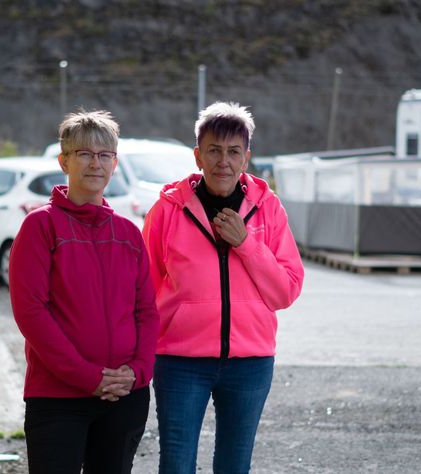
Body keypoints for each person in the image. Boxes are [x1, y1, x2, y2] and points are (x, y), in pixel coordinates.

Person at [142, 101, 304, 474]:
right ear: (198, 156)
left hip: (250, 363)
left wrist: (246, 244)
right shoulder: (167, 210)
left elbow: (286, 292)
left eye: (233, 152)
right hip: (180, 362)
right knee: (177, 466)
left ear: (246, 158)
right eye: (213, 150)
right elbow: (145, 289)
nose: (223, 161)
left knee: (234, 465)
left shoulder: (268, 209)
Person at [9, 110, 159, 474]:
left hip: (124, 397)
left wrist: (138, 373)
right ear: (64, 161)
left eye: (105, 155)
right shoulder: (40, 226)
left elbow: (147, 312)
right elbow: (31, 312)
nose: (96, 163)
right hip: (58, 398)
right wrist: (88, 377)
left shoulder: (128, 232)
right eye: (85, 154)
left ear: (115, 163)